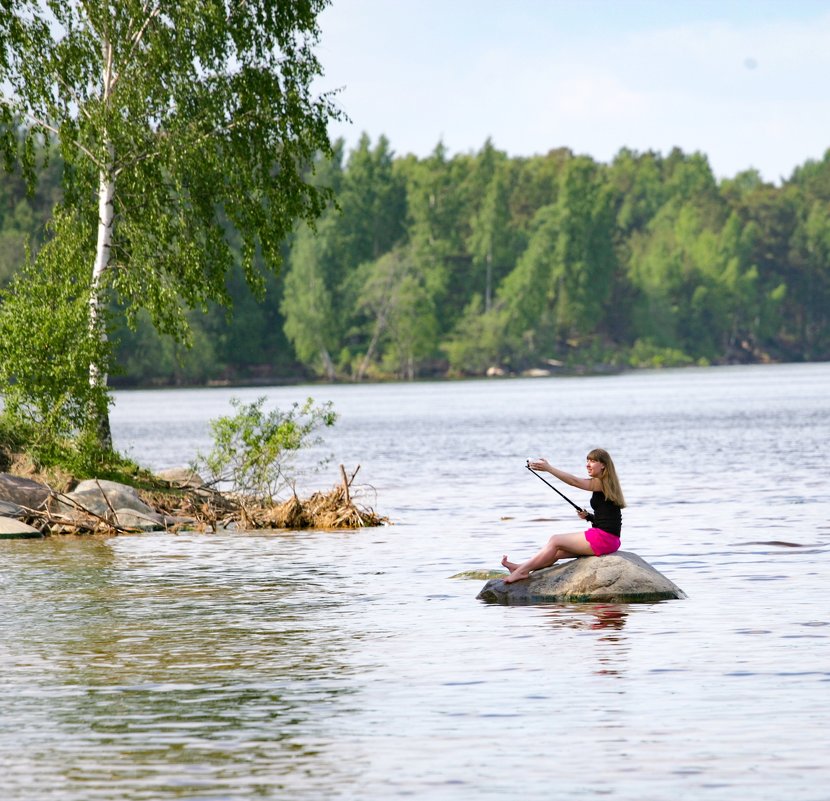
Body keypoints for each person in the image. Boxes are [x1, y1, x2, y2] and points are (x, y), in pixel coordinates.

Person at [502, 448, 626, 583]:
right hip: (609, 539)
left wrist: (549, 469)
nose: (587, 464)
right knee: (556, 552)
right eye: (587, 461)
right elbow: (609, 519)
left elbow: (575, 481)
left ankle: (522, 572)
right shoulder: (606, 484)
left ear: (603, 465)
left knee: (555, 540)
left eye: (593, 461)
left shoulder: (602, 482)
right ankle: (520, 567)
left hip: (604, 539)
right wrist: (589, 516)